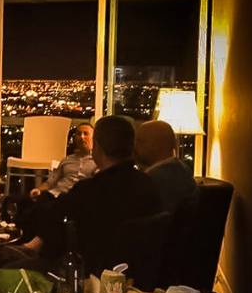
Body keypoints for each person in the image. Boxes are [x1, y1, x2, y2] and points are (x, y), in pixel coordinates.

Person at [22, 116, 163, 274]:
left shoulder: (88, 191)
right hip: (137, 275)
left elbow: (54, 224)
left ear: (97, 147)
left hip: (87, 276)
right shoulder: (149, 186)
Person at [135, 120, 197, 215]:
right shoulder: (182, 171)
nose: (134, 147)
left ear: (157, 145)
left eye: (140, 141)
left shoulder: (152, 181)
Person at [30, 123, 96, 200]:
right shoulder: (67, 160)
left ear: (93, 138)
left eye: (86, 134)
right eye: (79, 134)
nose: (82, 137)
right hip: (55, 196)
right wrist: (38, 190)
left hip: (78, 200)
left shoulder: (97, 161)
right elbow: (50, 182)